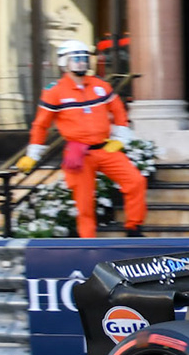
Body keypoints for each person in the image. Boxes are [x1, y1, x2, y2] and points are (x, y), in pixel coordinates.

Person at [19, 40, 147, 238]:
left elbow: (118, 110)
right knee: (84, 201)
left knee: (135, 181)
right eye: (76, 59)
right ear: (64, 63)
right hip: (78, 153)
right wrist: (32, 155)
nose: (81, 63)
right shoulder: (54, 92)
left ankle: (134, 227)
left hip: (106, 148)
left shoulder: (100, 85)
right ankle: (88, 242)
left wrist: (121, 138)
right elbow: (41, 125)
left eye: (84, 59)